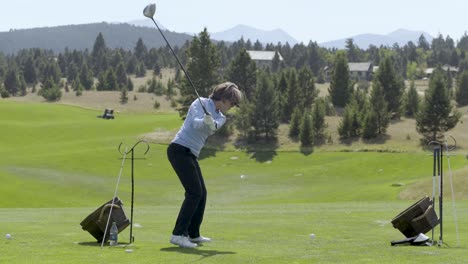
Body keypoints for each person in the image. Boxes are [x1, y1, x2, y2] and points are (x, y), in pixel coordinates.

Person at [167, 82, 243, 248]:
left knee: (202, 193)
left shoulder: (221, 116)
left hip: (191, 153)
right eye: (232, 103)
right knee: (194, 192)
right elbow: (195, 123)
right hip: (179, 149)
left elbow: (213, 127)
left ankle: (193, 234)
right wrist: (205, 119)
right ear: (223, 99)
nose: (233, 106)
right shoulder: (199, 102)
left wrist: (210, 121)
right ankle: (178, 234)